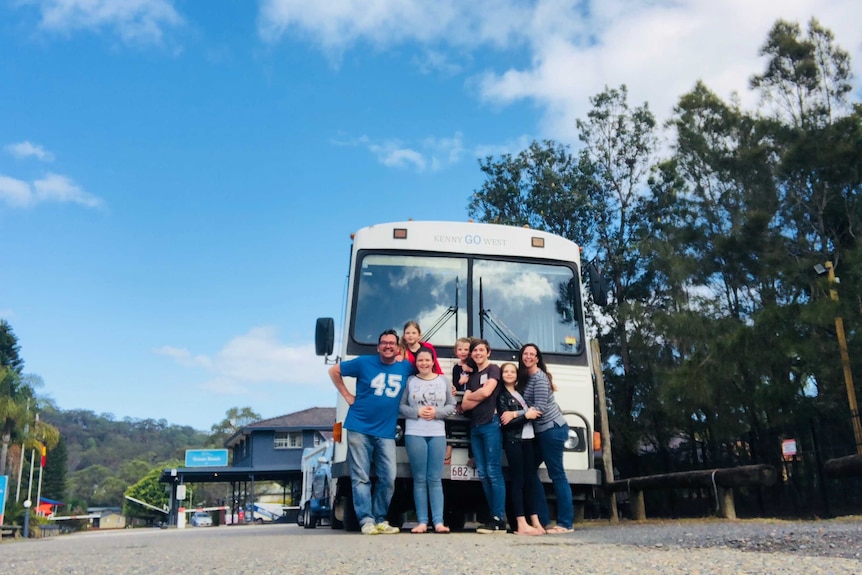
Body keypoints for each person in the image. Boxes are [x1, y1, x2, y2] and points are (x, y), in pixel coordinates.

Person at [328, 329, 416, 535]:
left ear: (397, 347)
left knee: (389, 477)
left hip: (386, 432)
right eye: (384, 343)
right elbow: (334, 370)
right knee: (361, 477)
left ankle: (380, 518)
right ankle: (366, 520)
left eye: (392, 343)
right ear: (378, 347)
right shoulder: (363, 362)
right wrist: (347, 395)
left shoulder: (405, 367)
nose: (387, 346)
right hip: (359, 427)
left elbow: (425, 368)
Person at [399, 347, 457, 534]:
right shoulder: (410, 381)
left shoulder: (443, 381)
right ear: (416, 363)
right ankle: (422, 522)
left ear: (433, 362)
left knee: (435, 478)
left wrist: (437, 412)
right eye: (420, 361)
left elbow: (451, 405)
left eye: (427, 360)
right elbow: (401, 406)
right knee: (419, 479)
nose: (423, 363)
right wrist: (416, 412)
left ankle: (438, 522)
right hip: (415, 432)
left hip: (437, 433)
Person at [518, 343, 574, 534]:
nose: (528, 357)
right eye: (525, 354)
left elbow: (539, 408)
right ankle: (542, 521)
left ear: (538, 358)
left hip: (552, 430)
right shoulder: (526, 377)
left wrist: (513, 414)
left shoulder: (540, 378)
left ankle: (566, 523)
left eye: (532, 354)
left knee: (556, 474)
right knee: (529, 471)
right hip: (540, 432)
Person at [460, 338, 506, 533]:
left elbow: (487, 393)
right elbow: (464, 405)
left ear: (488, 352)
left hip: (490, 425)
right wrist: (471, 397)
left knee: (493, 471)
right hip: (476, 427)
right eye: (474, 351)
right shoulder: (472, 376)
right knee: (484, 474)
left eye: (481, 350)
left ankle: (499, 517)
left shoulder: (493, 369)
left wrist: (471, 395)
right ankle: (492, 516)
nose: (477, 353)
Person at [497, 362, 544, 535]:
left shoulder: (522, 393)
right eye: (505, 372)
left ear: (517, 375)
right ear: (501, 375)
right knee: (518, 480)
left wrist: (519, 413)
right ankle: (520, 523)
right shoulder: (501, 396)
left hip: (529, 439)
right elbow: (505, 423)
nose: (509, 374)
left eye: (512, 371)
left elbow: (533, 411)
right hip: (513, 441)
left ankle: (535, 521)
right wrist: (526, 416)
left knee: (530, 480)